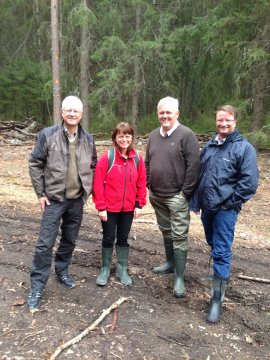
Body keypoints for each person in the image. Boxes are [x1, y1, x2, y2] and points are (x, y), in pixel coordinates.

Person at [189, 105, 259, 325]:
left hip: (225, 210)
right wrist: (196, 202)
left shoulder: (243, 148)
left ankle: (216, 299)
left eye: (228, 120)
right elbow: (200, 176)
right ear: (216, 120)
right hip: (207, 208)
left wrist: (229, 204)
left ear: (235, 121)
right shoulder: (209, 145)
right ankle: (219, 277)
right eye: (220, 120)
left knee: (221, 250)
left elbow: (249, 183)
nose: (223, 124)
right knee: (212, 242)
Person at [27, 95, 97, 309]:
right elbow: (35, 163)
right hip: (54, 200)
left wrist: (89, 190)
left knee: (69, 239)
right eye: (69, 110)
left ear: (81, 114)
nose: (73, 114)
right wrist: (41, 193)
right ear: (62, 113)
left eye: (76, 111)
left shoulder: (89, 139)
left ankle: (61, 271)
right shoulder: (47, 135)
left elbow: (93, 165)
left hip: (77, 201)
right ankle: (37, 286)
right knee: (45, 243)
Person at [145, 97, 200, 298]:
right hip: (157, 196)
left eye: (169, 112)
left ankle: (179, 276)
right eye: (161, 113)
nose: (165, 116)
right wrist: (149, 184)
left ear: (177, 113)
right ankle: (169, 263)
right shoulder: (153, 135)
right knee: (166, 231)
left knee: (179, 236)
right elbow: (147, 163)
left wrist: (185, 193)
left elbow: (194, 167)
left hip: (177, 196)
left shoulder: (187, 135)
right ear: (158, 114)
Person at [92, 122, 147, 286]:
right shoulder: (107, 157)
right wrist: (100, 207)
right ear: (115, 138)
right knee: (108, 238)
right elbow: (97, 184)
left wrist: (139, 204)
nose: (124, 139)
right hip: (109, 209)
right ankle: (105, 269)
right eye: (120, 136)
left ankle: (121, 269)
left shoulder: (137, 158)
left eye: (127, 136)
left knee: (123, 238)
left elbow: (141, 182)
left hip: (128, 209)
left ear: (132, 138)